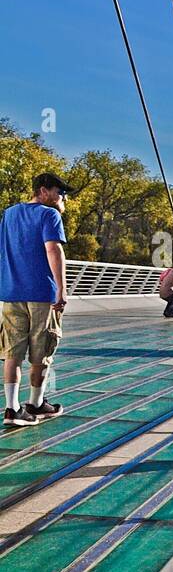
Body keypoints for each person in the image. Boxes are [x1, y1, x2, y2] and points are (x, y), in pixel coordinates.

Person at [1, 172, 71, 428]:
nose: (63, 196)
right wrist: (61, 289)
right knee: (42, 353)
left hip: (11, 293)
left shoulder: (8, 214)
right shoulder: (49, 214)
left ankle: (12, 409)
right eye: (59, 191)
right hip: (42, 294)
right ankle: (36, 403)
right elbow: (53, 249)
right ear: (43, 191)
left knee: (12, 352)